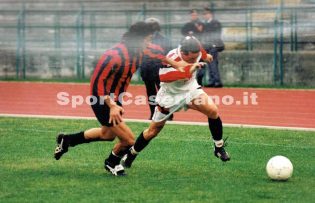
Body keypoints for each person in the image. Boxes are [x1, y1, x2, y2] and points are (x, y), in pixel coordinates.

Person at [53, 22, 188, 176]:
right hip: (101, 99)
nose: (150, 43)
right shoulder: (114, 55)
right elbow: (97, 84)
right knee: (129, 140)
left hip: (115, 100)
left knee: (107, 135)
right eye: (148, 40)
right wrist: (112, 106)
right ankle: (111, 162)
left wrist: (182, 66)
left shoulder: (143, 49)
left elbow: (162, 56)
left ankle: (68, 140)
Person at [122, 36, 230, 169]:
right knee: (153, 131)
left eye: (195, 57)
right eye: (190, 58)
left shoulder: (193, 48)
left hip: (190, 90)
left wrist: (204, 55)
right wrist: (187, 70)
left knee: (212, 111)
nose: (193, 60)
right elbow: (163, 77)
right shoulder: (172, 58)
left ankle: (218, 147)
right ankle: (131, 153)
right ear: (184, 53)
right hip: (170, 96)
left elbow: (199, 49)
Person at [140, 17, 172, 120]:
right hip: (148, 70)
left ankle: (167, 113)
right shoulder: (142, 40)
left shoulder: (164, 40)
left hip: (160, 70)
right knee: (152, 92)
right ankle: (154, 113)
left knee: (162, 92)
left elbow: (168, 55)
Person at [197, 7, 224, 87]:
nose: (205, 16)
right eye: (204, 14)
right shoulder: (205, 24)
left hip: (213, 46)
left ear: (210, 14)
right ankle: (212, 81)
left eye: (206, 14)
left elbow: (215, 34)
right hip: (206, 46)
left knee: (213, 64)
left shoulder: (215, 23)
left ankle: (217, 81)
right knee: (209, 64)